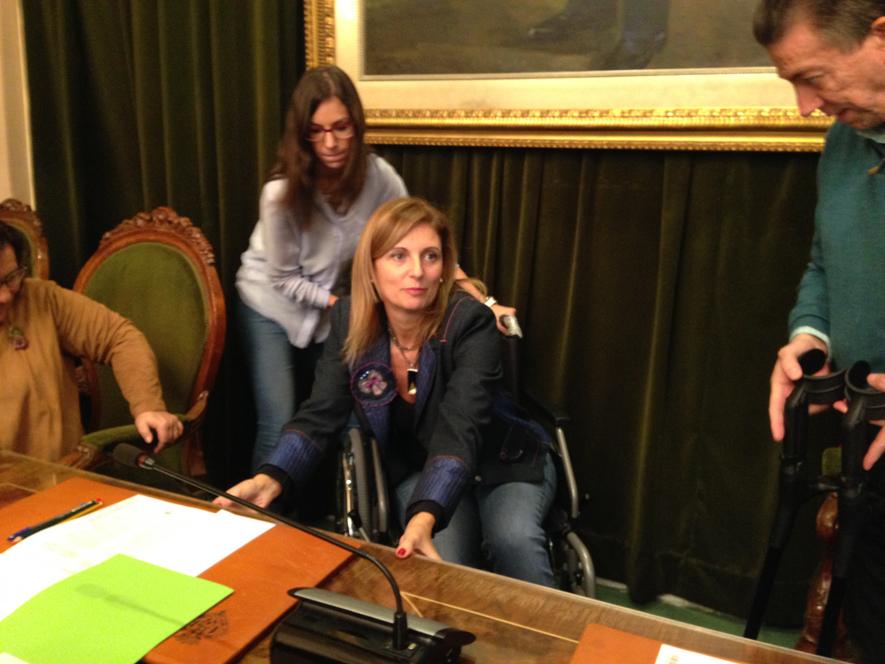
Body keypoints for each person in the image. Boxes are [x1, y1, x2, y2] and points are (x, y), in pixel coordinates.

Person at [220, 197, 556, 586]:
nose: (418, 271)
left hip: (503, 460)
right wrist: (272, 476)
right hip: (420, 466)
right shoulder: (350, 320)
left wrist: (424, 514)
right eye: (399, 256)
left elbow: (460, 426)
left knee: (512, 539)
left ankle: (556, 629)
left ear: (444, 268)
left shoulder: (469, 321)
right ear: (372, 269)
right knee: (444, 568)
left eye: (430, 257)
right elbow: (320, 414)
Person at [236, 65, 516, 472]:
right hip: (271, 303)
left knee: (353, 415)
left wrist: (484, 303)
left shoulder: (379, 176)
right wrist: (353, 307)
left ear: (356, 123)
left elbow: (421, 239)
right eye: (316, 131)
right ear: (301, 134)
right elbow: (284, 278)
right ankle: (261, 505)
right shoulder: (279, 195)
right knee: (278, 420)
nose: (330, 142)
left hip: (333, 306)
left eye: (341, 127)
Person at [755, 1, 885, 660]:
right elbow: (823, 264)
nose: (806, 106)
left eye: (814, 77)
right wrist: (811, 335)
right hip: (869, 452)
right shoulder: (843, 141)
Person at [0, 222, 182, 461]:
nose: (5, 295)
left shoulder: (41, 299)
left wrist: (148, 406)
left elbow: (120, 337)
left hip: (65, 473)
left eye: (11, 278)